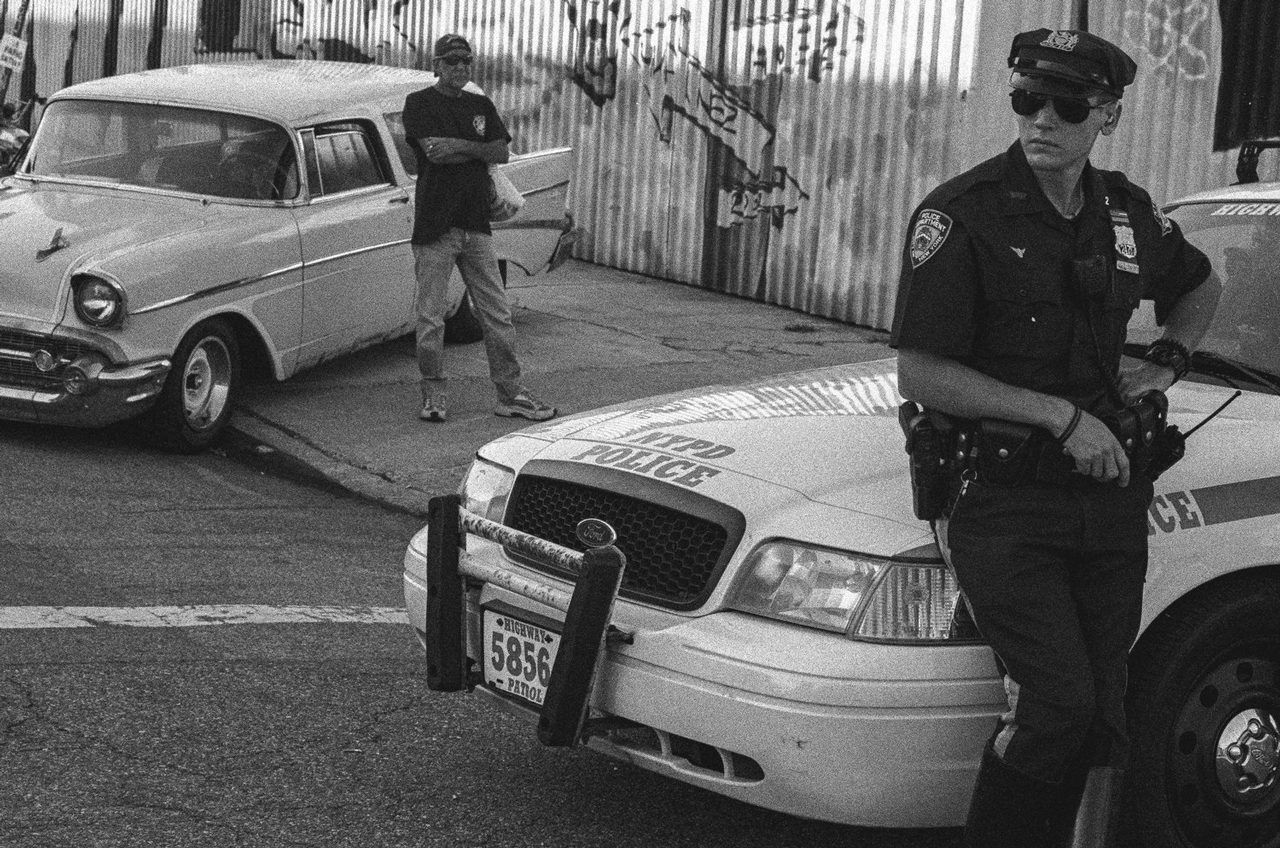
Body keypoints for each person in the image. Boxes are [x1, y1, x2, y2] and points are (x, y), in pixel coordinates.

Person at [889, 29, 1221, 848]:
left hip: (1107, 503)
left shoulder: (1128, 213)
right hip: (1003, 502)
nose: (1043, 119)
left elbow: (1202, 285)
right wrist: (1061, 417)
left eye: (1068, 105)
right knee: (1055, 703)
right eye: (1026, 99)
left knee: (1102, 708)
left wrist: (1168, 362)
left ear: (1106, 115)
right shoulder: (959, 215)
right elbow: (922, 373)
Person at [402, 33, 557, 423]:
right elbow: (432, 153)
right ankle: (433, 395)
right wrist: (474, 146)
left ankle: (510, 394)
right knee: (431, 319)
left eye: (466, 61)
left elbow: (500, 151)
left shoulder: (480, 104)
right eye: (451, 61)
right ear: (436, 64)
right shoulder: (418, 103)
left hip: (476, 226)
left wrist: (459, 147)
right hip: (436, 228)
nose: (460, 68)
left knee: (497, 314)